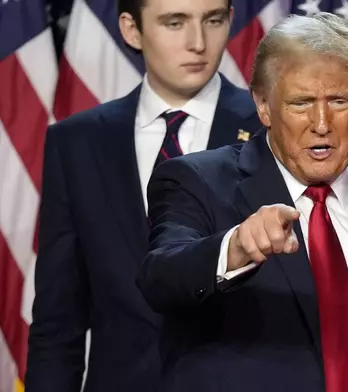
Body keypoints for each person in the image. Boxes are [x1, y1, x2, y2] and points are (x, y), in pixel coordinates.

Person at [135, 12, 348, 392]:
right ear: (263, 105)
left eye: (339, 101)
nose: (321, 122)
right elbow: (160, 277)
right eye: (301, 102)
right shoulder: (198, 181)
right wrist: (236, 247)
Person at [25, 0, 261, 391]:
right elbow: (58, 319)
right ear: (132, 30)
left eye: (213, 20)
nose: (198, 43)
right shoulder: (76, 143)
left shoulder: (270, 132)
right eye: (174, 23)